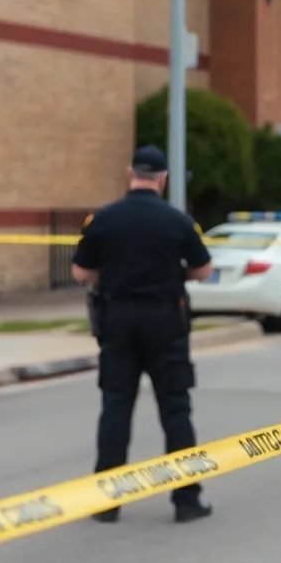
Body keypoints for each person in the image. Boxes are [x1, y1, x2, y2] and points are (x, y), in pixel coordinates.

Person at [72, 145, 215, 525]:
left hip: (117, 320)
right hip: (165, 322)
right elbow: (203, 270)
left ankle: (107, 502)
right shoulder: (178, 221)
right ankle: (186, 499)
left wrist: (116, 275)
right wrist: (172, 273)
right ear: (163, 178)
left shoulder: (102, 219)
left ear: (129, 173)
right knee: (175, 408)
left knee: (116, 406)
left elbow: (80, 272)